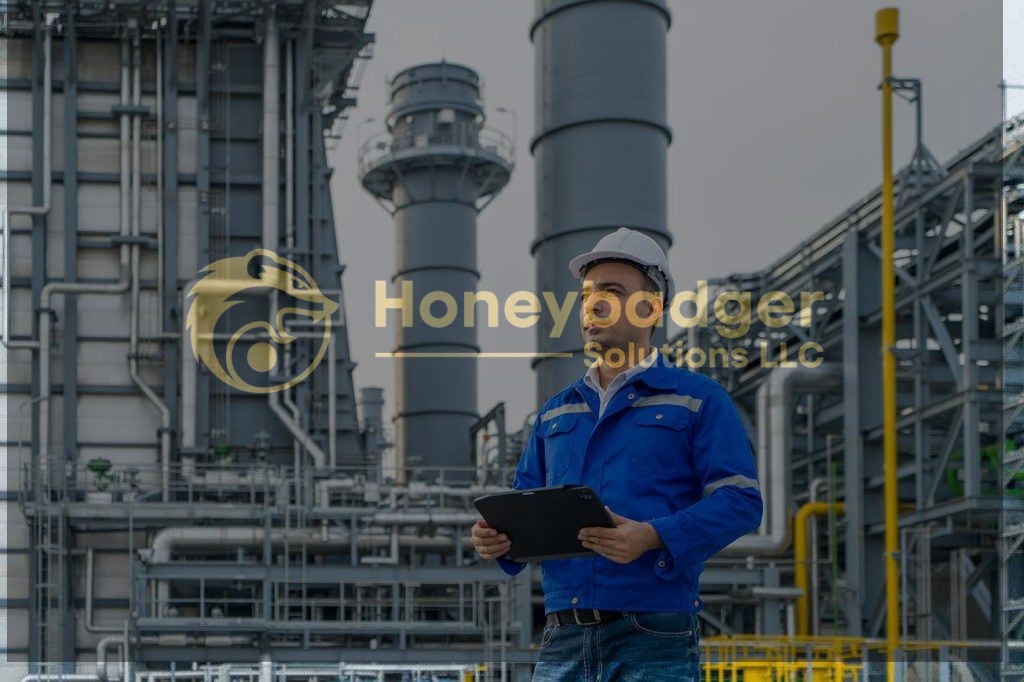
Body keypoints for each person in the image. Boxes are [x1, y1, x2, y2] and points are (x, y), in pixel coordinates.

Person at [470, 227, 763, 681]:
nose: (593, 305)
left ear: (651, 307)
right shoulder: (556, 412)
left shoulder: (697, 399)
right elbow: (524, 505)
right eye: (586, 294)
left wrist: (652, 535)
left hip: (652, 631)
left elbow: (741, 501)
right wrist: (498, 540)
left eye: (612, 291)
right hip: (562, 633)